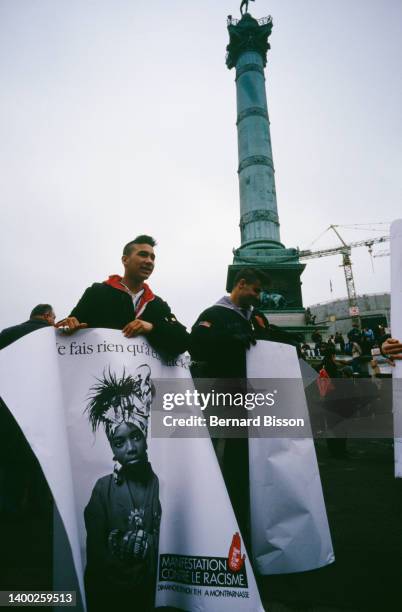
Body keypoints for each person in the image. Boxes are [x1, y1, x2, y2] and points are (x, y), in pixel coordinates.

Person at [189, 268, 298, 543]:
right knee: (222, 456)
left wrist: (291, 342)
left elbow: (271, 338)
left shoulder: (257, 317)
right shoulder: (213, 315)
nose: (259, 296)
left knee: (251, 458)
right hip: (224, 397)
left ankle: (249, 511)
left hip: (256, 399)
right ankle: (220, 516)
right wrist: (228, 339)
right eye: (256, 290)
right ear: (241, 284)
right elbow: (196, 345)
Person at [84, 367, 161, 612]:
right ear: (112, 448)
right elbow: (96, 553)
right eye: (119, 442)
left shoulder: (161, 484)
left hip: (152, 594)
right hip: (112, 597)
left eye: (136, 437)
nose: (130, 448)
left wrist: (149, 543)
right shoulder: (103, 489)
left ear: (146, 436)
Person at [56, 235, 188, 359]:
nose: (149, 261)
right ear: (125, 260)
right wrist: (68, 324)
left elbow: (183, 342)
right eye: (143, 255)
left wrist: (152, 328)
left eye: (152, 257)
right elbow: (66, 328)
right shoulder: (97, 292)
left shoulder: (158, 304)